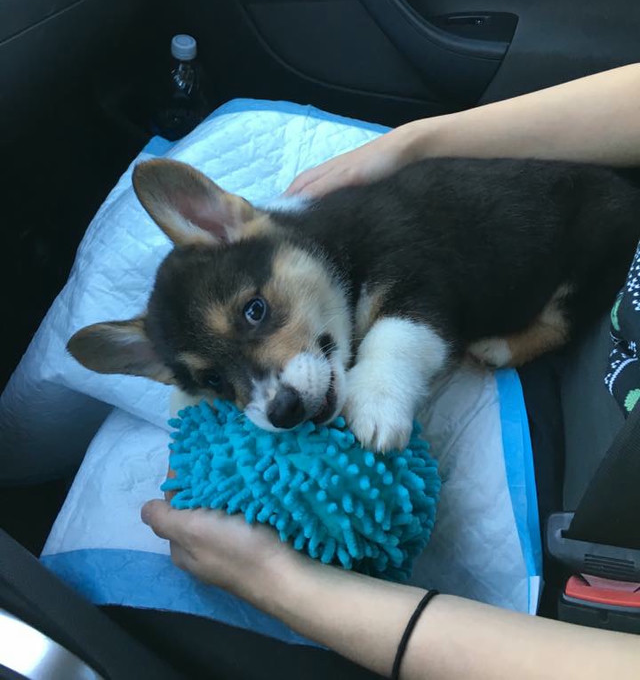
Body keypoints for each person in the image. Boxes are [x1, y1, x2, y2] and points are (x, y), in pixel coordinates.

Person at [142, 64, 640, 679]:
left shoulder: (367, 238)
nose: (272, 394)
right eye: (223, 380)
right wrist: (414, 140)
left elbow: (416, 304)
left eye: (256, 313)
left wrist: (383, 376)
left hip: (585, 236)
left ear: (236, 224)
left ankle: (549, 327)